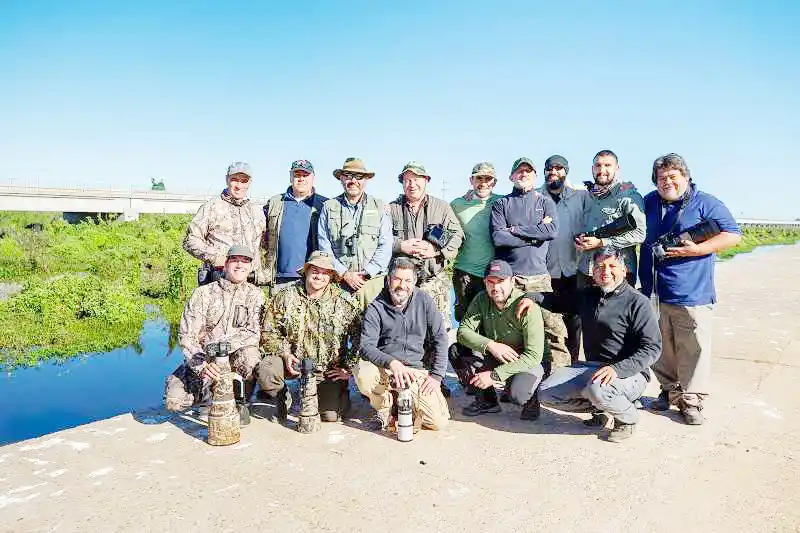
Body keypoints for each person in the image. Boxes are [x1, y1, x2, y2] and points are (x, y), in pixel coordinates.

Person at [518, 246, 662, 442]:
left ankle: (627, 418)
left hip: (630, 373)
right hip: (593, 369)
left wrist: (617, 369)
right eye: (600, 266)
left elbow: (652, 348)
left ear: (624, 269)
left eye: (612, 266)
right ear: (592, 271)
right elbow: (555, 301)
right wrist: (530, 298)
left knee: (598, 389)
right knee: (546, 393)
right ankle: (602, 409)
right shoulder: (588, 296)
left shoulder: (638, 302)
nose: (606, 271)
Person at [639, 153, 742, 425]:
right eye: (661, 178)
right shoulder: (649, 201)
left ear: (685, 177)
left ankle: (692, 399)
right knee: (661, 344)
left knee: (693, 347)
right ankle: (669, 391)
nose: (667, 182)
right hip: (654, 290)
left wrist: (701, 249)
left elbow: (732, 233)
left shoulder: (706, 202)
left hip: (692, 291)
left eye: (673, 176)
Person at [257, 251, 362, 424]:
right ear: (306, 271)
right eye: (315, 270)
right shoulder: (285, 295)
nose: (319, 276)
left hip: (326, 369)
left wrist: (348, 368)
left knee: (330, 416)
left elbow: (361, 337)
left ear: (331, 276)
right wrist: (285, 354)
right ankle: (281, 397)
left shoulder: (344, 302)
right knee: (267, 369)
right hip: (293, 364)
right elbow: (268, 331)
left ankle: (339, 393)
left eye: (325, 272)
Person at [164, 245, 265, 423]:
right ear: (225, 265)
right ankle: (206, 397)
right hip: (204, 362)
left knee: (251, 357)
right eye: (235, 260)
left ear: (250, 267)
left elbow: (254, 333)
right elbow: (187, 336)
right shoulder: (203, 293)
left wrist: (223, 352)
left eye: (245, 262)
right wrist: (202, 365)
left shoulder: (256, 295)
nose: (240, 265)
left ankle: (239, 399)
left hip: (234, 360)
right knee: (174, 401)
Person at [491, 157, 570, 370]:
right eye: (519, 171)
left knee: (554, 329)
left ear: (535, 176)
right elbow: (499, 238)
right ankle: (515, 377)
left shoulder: (545, 202)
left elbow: (551, 231)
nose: (523, 174)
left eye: (528, 171)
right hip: (511, 279)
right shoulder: (501, 204)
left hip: (539, 278)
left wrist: (515, 229)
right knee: (512, 331)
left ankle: (559, 377)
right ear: (511, 176)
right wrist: (536, 232)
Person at [355, 257, 451, 432]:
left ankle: (405, 403)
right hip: (386, 369)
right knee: (364, 374)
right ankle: (384, 408)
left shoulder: (424, 301)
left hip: (416, 370)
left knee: (439, 422)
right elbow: (366, 346)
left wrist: (437, 376)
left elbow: (440, 337)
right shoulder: (376, 307)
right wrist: (392, 363)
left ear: (414, 282)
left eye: (407, 280)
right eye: (397, 279)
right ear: (389, 279)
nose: (402, 285)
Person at [449, 259, 546, 420]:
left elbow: (534, 356)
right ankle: (487, 401)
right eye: (490, 282)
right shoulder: (481, 299)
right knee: (457, 351)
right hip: (496, 354)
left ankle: (531, 399)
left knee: (518, 395)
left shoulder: (527, 306)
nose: (495, 287)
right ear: (484, 282)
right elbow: (463, 332)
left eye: (501, 281)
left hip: (525, 360)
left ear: (512, 281)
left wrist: (494, 375)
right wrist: (491, 345)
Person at [389, 161, 464, 330]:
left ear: (426, 181)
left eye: (416, 179)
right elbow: (380, 240)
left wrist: (436, 251)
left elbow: (458, 235)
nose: (412, 184)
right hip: (402, 282)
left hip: (434, 279)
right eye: (407, 180)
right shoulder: (392, 209)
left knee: (437, 331)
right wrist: (401, 246)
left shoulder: (442, 207)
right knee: (401, 329)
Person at [318, 157, 393, 309]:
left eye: (358, 176)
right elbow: (324, 246)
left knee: (373, 330)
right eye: (347, 175)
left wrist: (367, 273)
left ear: (366, 180)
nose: (353, 180)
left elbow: (385, 245)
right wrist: (344, 273)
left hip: (372, 284)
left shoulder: (379, 207)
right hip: (338, 284)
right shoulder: (328, 207)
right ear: (341, 179)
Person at [538, 155, 588, 363]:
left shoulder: (581, 196)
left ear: (566, 171)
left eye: (559, 168)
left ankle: (572, 369)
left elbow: (605, 196)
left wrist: (624, 187)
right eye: (550, 168)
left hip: (573, 270)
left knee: (573, 325)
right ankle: (546, 371)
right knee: (544, 326)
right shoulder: (535, 197)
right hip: (544, 274)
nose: (554, 172)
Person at [183, 162, 267, 286]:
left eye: (244, 181)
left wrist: (263, 273)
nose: (239, 185)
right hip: (219, 282)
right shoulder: (211, 207)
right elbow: (191, 240)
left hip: (250, 286)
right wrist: (218, 259)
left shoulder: (257, 211)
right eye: (234, 180)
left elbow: (266, 246)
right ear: (227, 179)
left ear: (249, 183)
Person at [574, 150, 646, 287]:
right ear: (592, 169)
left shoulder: (629, 195)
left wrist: (602, 242)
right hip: (586, 272)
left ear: (617, 169)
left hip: (617, 274)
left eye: (608, 165)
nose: (602, 170)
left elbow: (640, 234)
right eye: (598, 165)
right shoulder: (586, 195)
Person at [262, 160, 328, 295]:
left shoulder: (324, 204)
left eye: (306, 175)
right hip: (279, 278)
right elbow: (261, 237)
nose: (301, 178)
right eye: (297, 174)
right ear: (290, 177)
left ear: (313, 177)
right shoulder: (275, 202)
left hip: (312, 279)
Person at [450, 161, 503, 323]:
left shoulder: (502, 202)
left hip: (491, 274)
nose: (483, 183)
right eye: (479, 178)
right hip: (464, 273)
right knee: (465, 320)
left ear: (494, 182)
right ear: (471, 181)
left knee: (491, 322)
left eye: (488, 179)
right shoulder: (457, 204)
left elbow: (527, 195)